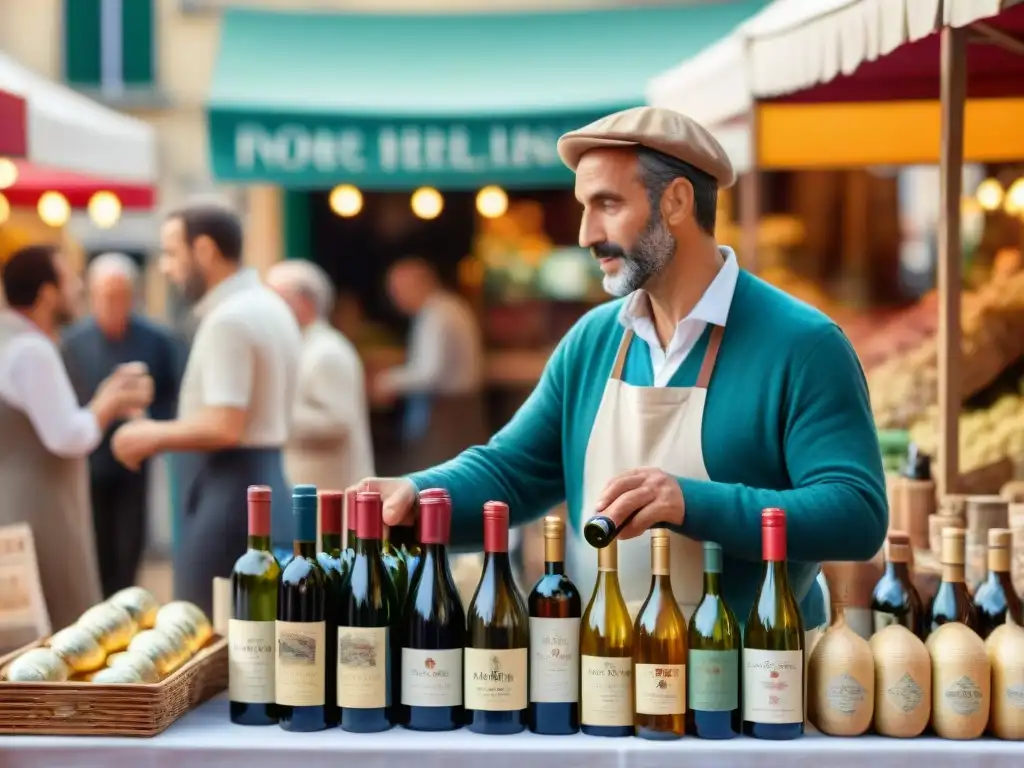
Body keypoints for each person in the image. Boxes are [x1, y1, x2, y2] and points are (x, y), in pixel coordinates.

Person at [351, 107, 888, 639]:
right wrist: (417, 495)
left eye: (607, 204)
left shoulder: (803, 344)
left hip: (757, 685)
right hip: (607, 678)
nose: (586, 233)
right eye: (585, 207)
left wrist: (689, 501)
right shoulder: (593, 339)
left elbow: (855, 514)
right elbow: (512, 472)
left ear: (675, 202)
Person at [111, 202, 301, 616]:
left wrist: (146, 435)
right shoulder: (270, 305)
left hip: (229, 495)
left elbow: (224, 426)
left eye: (172, 252)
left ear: (205, 250)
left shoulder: (229, 318)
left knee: (207, 633)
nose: (165, 266)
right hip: (264, 484)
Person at [0, 244, 152, 629]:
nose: (77, 289)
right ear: (48, 292)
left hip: (16, 503)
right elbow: (69, 436)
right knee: (61, 628)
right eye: (69, 280)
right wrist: (109, 400)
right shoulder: (32, 348)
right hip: (42, 511)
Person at [62, 253, 183, 598]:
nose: (113, 303)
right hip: (88, 463)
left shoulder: (156, 340)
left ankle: (126, 603)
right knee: (93, 546)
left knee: (131, 545)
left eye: (121, 295)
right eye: (105, 295)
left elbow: (173, 400)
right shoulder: (72, 342)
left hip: (135, 461)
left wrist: (145, 417)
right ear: (92, 295)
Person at [266, 259, 375, 496]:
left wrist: (271, 415)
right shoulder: (302, 345)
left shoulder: (327, 352)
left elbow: (338, 422)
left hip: (329, 493)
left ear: (304, 302)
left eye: (276, 298)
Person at [374, 257, 486, 469]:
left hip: (447, 412)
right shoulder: (446, 307)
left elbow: (430, 373)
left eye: (398, 291)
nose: (395, 299)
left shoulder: (438, 314)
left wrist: (387, 381)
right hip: (452, 407)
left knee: (437, 484)